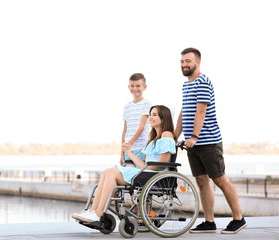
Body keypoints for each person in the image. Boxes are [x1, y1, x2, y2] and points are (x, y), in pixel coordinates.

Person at [174, 47, 246, 234]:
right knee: (201, 182)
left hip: (207, 141)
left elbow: (201, 111)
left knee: (220, 179)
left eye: (188, 61)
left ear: (197, 62)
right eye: (182, 61)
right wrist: (175, 134)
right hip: (193, 144)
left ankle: (238, 218)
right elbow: (185, 111)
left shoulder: (203, 82)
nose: (184, 64)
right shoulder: (186, 84)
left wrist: (194, 137)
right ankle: (209, 222)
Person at [72, 105, 177, 223]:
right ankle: (92, 212)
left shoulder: (166, 134)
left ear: (163, 118)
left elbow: (162, 164)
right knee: (108, 171)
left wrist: (143, 169)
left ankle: (98, 214)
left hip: (157, 176)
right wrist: (128, 152)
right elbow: (144, 164)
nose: (150, 117)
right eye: (150, 114)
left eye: (154, 115)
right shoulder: (153, 138)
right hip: (148, 172)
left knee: (112, 172)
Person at [120, 73, 151, 167]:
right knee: (127, 177)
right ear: (128, 87)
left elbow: (142, 126)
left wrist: (130, 143)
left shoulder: (146, 104)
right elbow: (125, 130)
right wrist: (122, 152)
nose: (135, 88)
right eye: (132, 86)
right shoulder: (127, 106)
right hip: (127, 150)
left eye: (138, 86)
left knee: (138, 176)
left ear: (144, 87)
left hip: (140, 149)